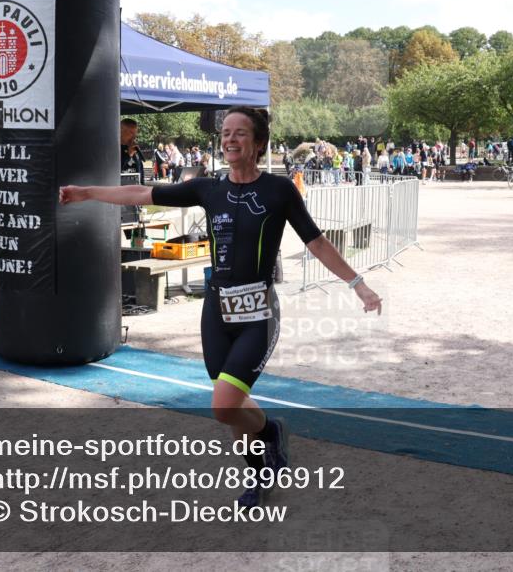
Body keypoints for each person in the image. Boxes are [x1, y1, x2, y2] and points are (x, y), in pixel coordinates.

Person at [59, 106, 382, 508]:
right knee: (232, 406)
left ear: (258, 142)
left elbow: (315, 242)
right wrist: (88, 193)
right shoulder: (207, 188)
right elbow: (141, 193)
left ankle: (270, 436)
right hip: (216, 311)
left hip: (258, 313)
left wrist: (358, 284)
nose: (230, 139)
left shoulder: (279, 191)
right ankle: (260, 471)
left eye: (240, 133)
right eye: (226, 133)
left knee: (223, 405)